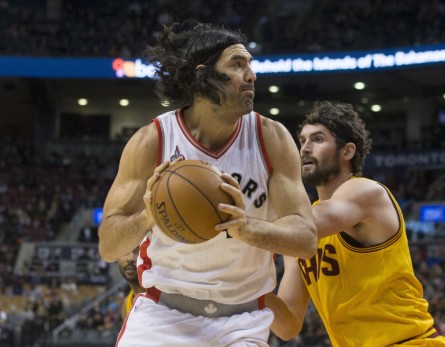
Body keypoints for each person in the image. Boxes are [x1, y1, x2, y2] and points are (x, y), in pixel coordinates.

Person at [98, 21, 316, 347]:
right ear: (205, 75)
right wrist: (148, 216)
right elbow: (108, 246)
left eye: (250, 65)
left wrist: (246, 228)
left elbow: (306, 239)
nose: (251, 75)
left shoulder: (271, 138)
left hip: (242, 320)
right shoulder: (152, 141)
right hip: (163, 313)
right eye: (237, 65)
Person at [266, 100, 445, 346]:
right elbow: (287, 326)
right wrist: (249, 286)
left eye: (318, 139)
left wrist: (238, 225)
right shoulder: (299, 228)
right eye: (302, 140)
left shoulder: (364, 192)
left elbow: (312, 223)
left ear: (347, 152)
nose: (305, 149)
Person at [117, 247, 144, 320]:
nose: (130, 258)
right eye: (125, 252)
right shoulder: (126, 304)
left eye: (138, 251)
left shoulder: (166, 296)